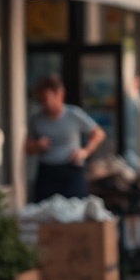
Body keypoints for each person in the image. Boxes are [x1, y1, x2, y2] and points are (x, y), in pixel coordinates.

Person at [25, 74, 106, 202]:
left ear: (59, 95)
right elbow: (27, 148)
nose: (44, 103)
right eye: (41, 99)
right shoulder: (36, 119)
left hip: (71, 170)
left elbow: (98, 133)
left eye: (47, 98)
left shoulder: (73, 114)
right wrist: (37, 145)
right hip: (47, 172)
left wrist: (85, 151)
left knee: (76, 209)